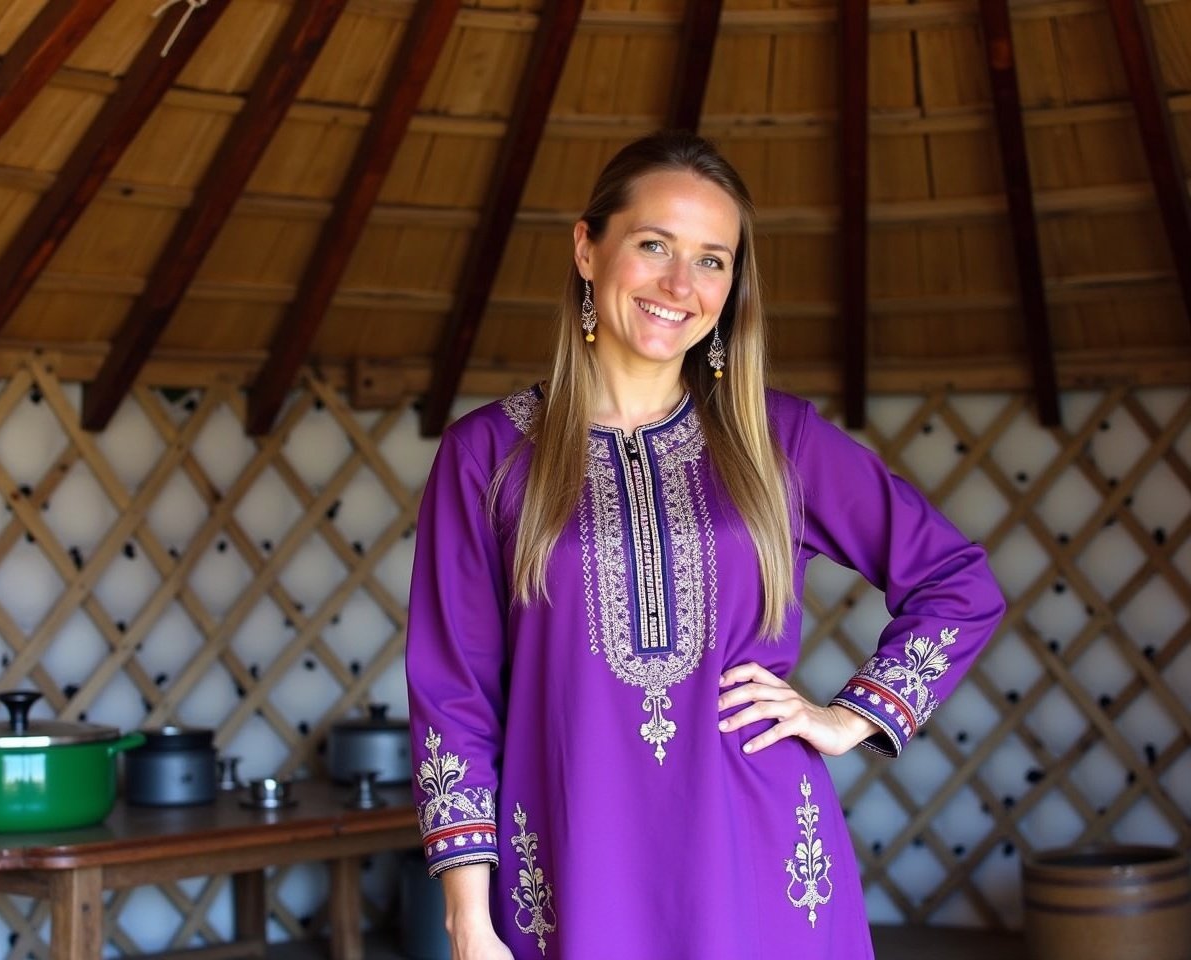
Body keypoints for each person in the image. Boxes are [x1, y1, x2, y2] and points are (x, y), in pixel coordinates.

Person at [405, 130, 1006, 960]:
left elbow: (958, 581)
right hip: (571, 872)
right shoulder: (490, 454)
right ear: (588, 248)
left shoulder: (777, 440)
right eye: (654, 245)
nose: (680, 285)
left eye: (713, 260)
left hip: (759, 861)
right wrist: (468, 918)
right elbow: (454, 692)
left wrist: (849, 717)